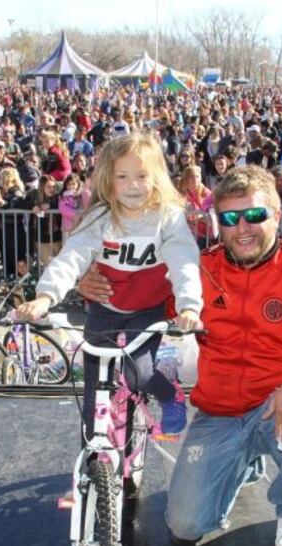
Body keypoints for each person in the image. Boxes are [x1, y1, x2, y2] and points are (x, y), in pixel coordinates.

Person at [78, 164, 282, 546]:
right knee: (184, 526)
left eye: (255, 215)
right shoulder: (199, 271)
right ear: (218, 223)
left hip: (279, 400)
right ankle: (244, 463)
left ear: (276, 215)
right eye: (229, 218)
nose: (242, 227)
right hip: (220, 410)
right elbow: (141, 293)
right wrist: (89, 280)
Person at [15, 132, 202, 445]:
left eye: (142, 176)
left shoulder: (167, 217)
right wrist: (45, 298)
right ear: (108, 180)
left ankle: (171, 396)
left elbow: (184, 260)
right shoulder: (100, 217)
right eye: (122, 176)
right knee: (92, 393)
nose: (132, 185)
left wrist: (189, 306)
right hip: (105, 309)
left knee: (138, 374)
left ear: (156, 177)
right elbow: (71, 256)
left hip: (147, 310)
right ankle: (92, 466)